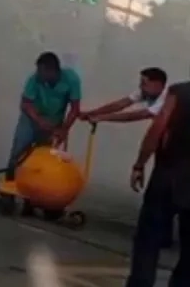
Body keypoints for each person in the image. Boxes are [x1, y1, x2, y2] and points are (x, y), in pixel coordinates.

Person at [80, 67, 176, 248]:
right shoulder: (148, 93)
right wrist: (93, 113)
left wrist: (103, 118)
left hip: (176, 147)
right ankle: (162, 236)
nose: (141, 87)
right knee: (165, 193)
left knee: (162, 192)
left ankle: (156, 237)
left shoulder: (166, 97)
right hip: (167, 144)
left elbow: (136, 115)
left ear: (158, 85)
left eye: (145, 84)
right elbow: (122, 103)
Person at [125, 82, 190, 287]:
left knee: (148, 239)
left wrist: (140, 164)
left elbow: (159, 126)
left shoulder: (180, 92)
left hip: (168, 174)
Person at [0, 52, 81, 214]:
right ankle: (7, 195)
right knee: (18, 154)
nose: (38, 74)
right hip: (31, 120)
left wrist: (64, 129)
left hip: (54, 122)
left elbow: (75, 108)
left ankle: (31, 200)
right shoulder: (34, 79)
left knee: (40, 161)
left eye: (42, 71)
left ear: (52, 71)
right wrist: (39, 121)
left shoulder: (71, 79)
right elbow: (26, 103)